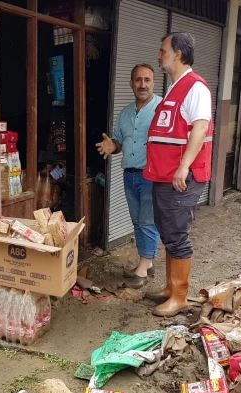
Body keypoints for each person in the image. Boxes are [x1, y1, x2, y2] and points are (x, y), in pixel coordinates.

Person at [143, 32, 213, 317]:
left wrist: (184, 166)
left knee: (177, 234)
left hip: (181, 176)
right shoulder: (175, 87)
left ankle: (180, 296)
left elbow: (200, 127)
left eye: (163, 51)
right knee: (168, 230)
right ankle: (171, 288)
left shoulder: (196, 87)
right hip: (164, 176)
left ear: (179, 54)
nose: (159, 55)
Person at [96, 64, 162, 288]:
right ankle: (148, 263)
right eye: (138, 80)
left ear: (153, 82)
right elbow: (119, 142)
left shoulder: (162, 108)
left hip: (152, 176)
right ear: (131, 83)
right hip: (130, 175)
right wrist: (110, 145)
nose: (142, 85)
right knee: (137, 221)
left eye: (147, 80)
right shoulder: (125, 113)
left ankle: (143, 269)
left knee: (147, 221)